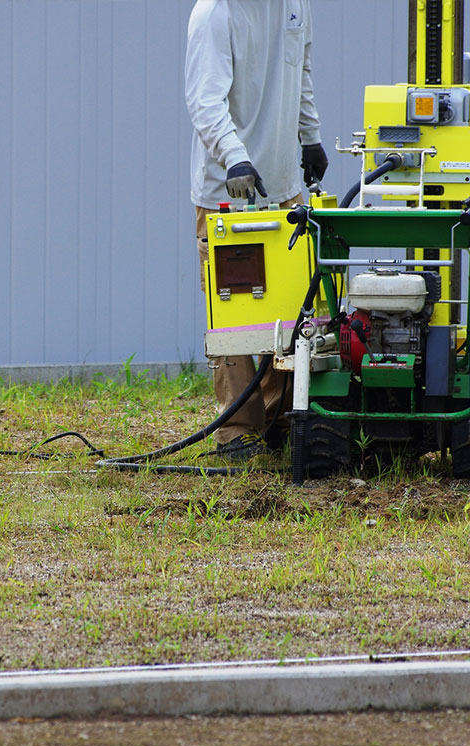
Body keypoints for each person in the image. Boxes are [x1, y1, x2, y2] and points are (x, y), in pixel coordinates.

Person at [185, 0, 327, 459]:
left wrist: (311, 136)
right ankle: (238, 432)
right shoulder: (216, 13)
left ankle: (281, 418)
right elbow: (204, 99)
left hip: (284, 186)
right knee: (236, 313)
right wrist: (233, 155)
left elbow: (300, 73)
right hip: (230, 188)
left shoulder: (295, 5)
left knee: (292, 310)